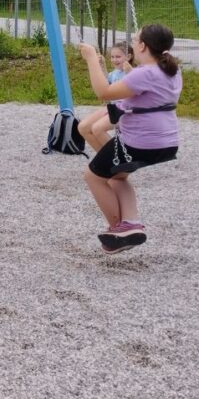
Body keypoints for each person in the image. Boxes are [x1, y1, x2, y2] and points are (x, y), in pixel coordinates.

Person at [77, 25, 181, 255]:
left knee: (93, 176)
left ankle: (120, 230)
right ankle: (131, 222)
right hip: (167, 143)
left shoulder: (144, 73)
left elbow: (103, 93)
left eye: (135, 39)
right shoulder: (171, 71)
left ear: (142, 46)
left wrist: (91, 58)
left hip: (139, 143)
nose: (133, 43)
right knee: (117, 177)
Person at [78, 41, 134, 151]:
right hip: (113, 108)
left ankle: (118, 155)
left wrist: (130, 72)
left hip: (125, 110)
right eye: (112, 57)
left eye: (118, 57)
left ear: (128, 57)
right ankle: (105, 157)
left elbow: (136, 85)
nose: (114, 60)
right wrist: (102, 66)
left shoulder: (132, 72)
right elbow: (105, 84)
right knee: (83, 127)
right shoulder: (114, 73)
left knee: (97, 129)